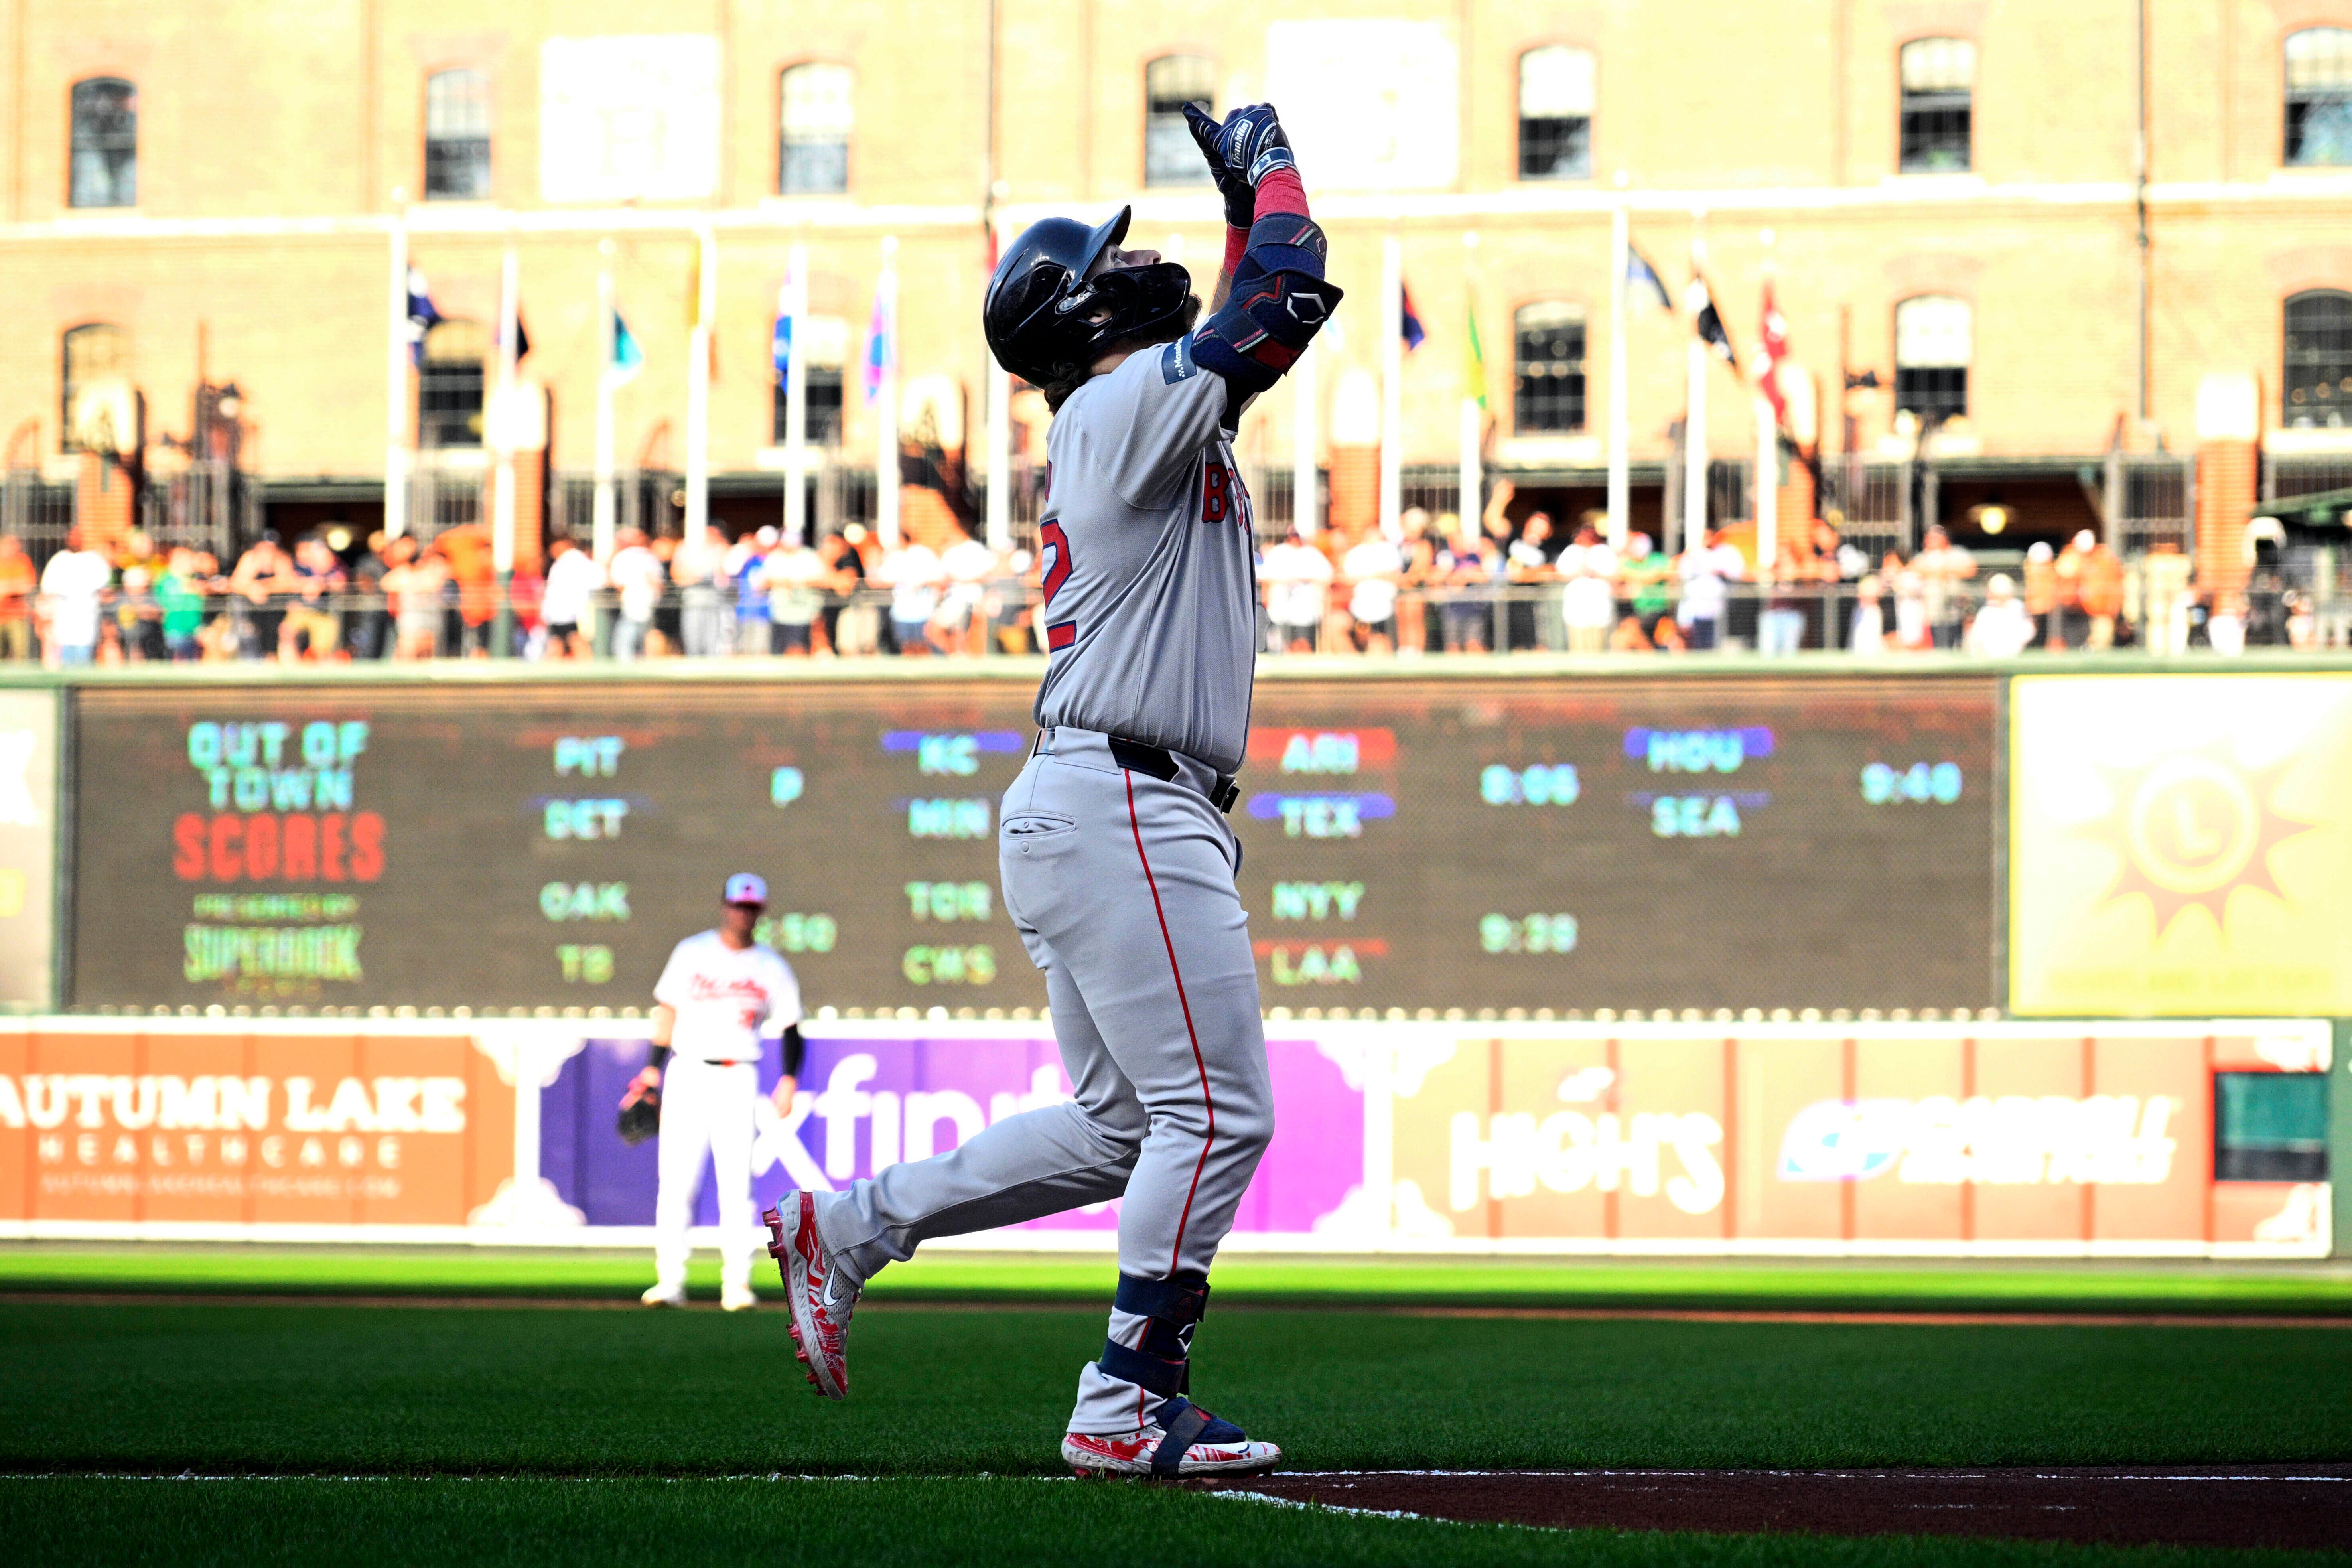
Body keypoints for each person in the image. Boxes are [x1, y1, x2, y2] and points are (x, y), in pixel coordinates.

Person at [765, 100, 1329, 1481]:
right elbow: (1288, 291)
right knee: (1218, 1115)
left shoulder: (1120, 411)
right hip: (1126, 796)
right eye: (1108, 267)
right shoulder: (1122, 403)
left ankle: (848, 1227)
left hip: (1097, 797)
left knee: (1124, 1127)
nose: (1135, 271)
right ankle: (1124, 1395)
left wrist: (1233, 219)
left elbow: (1245, 316)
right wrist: (1266, 178)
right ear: (1074, 323)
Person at [620, 874, 804, 1314]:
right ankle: (670, 1282)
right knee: (677, 1183)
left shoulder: (771, 966)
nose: (743, 913)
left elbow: (792, 1027)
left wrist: (789, 1078)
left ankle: (737, 1285)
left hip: (739, 1074)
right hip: (687, 1071)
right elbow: (667, 1012)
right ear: (724, 906)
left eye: (751, 907)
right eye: (738, 905)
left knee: (737, 1184)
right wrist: (651, 1069)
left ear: (760, 911)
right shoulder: (693, 952)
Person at [39, 526, 112, 667]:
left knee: (85, 660)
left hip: (87, 622)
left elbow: (106, 591)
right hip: (65, 623)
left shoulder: (94, 560)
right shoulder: (59, 561)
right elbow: (47, 592)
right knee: (66, 663)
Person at [1675, 525, 1745, 651]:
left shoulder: (1727, 552)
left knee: (1714, 643)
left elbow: (1737, 573)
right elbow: (1682, 572)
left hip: (1717, 607)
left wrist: (1720, 572)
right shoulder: (1694, 554)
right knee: (1696, 643)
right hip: (1696, 607)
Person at [1260, 527, 1330, 652]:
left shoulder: (1312, 554)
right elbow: (1266, 577)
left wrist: (1305, 579)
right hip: (1281, 608)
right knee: (1284, 644)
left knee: (1304, 643)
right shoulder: (1278, 553)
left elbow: (1326, 577)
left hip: (1305, 610)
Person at [1555, 524, 1619, 655]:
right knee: (1578, 648)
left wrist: (1595, 573)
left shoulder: (1604, 551)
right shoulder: (1572, 551)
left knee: (1598, 648)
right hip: (1577, 610)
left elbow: (1615, 576)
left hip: (1600, 609)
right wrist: (1579, 572)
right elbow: (1560, 574)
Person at [1339, 525, 1404, 654]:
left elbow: (1396, 577)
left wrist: (1371, 576)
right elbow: (1347, 580)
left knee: (1382, 644)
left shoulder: (1389, 551)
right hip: (1360, 609)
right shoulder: (1356, 553)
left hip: (1386, 609)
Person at [2056, 528, 2124, 650]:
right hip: (2076, 612)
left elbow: (2115, 584)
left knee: (2101, 644)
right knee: (2075, 646)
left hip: (2100, 610)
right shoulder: (2070, 556)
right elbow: (2064, 578)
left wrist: (2113, 607)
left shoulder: (2104, 558)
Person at [763, 531, 830, 655]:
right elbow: (763, 582)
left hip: (803, 615)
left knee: (798, 652)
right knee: (778, 653)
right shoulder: (775, 557)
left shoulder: (809, 557)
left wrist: (798, 583)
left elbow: (823, 580)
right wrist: (780, 583)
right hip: (779, 614)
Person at [877, 536, 945, 655]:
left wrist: (922, 582)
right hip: (902, 612)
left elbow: (939, 579)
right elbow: (881, 580)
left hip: (922, 611)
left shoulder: (923, 555)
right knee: (906, 645)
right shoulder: (895, 558)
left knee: (923, 645)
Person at [607, 528, 664, 660]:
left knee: (626, 639)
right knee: (647, 636)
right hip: (650, 603)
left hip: (632, 604)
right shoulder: (650, 557)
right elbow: (659, 584)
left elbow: (618, 583)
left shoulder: (624, 557)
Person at [154, 548, 208, 662]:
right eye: (189, 560)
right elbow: (169, 604)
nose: (193, 564)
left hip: (193, 632)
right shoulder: (167, 581)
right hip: (175, 632)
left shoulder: (192, 580)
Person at [1964, 572, 2036, 656]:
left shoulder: (2018, 607)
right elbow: (1977, 637)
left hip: (2014, 658)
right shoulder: (1986, 611)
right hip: (1988, 659)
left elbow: (2028, 633)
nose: (1989, 595)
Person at [0, 535, 38, 661]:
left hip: (16, 615)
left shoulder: (22, 561)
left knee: (20, 655)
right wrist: (13, 585)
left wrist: (7, 586)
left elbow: (26, 585)